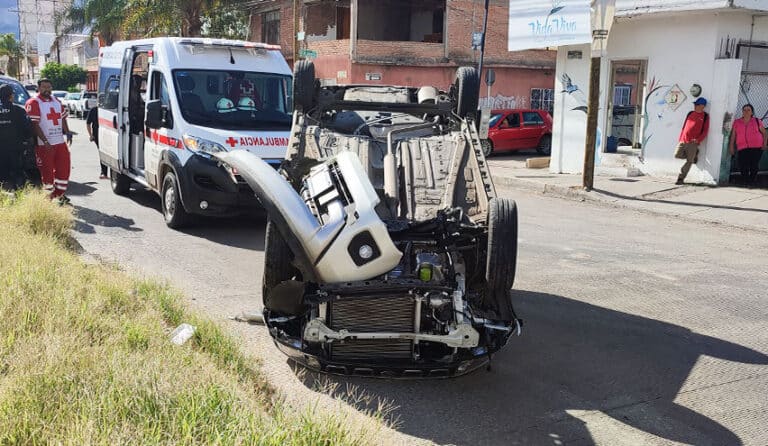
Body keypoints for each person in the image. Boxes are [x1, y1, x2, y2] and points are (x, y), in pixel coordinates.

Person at [25, 78, 72, 203]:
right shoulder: (33, 102)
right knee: (47, 172)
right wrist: (45, 142)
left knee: (64, 169)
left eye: (49, 87)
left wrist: (68, 132)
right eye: (44, 87)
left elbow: (62, 118)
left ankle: (58, 194)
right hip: (44, 145)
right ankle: (46, 200)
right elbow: (34, 125)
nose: (47, 89)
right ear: (39, 88)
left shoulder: (56, 101)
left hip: (59, 142)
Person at [0, 83, 31, 190]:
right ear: (11, 96)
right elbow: (28, 128)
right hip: (15, 148)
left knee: (2, 175)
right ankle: (18, 194)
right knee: (17, 173)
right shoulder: (19, 110)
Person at [729, 103, 767, 187]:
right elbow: (733, 136)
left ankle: (752, 181)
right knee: (743, 165)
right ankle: (746, 181)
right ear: (742, 112)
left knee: (754, 165)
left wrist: (764, 143)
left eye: (748, 110)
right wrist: (731, 146)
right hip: (742, 147)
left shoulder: (757, 121)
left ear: (752, 112)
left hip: (756, 147)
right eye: (744, 110)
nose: (746, 111)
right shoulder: (737, 122)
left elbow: (764, 133)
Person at [675, 97, 710, 185]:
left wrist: (698, 140)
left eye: (697, 104)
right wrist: (680, 138)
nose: (695, 106)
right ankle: (694, 155)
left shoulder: (705, 116)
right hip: (683, 140)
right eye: (695, 104)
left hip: (693, 143)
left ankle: (680, 178)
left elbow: (705, 131)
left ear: (702, 106)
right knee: (677, 155)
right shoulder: (690, 113)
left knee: (689, 161)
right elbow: (684, 127)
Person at [86, 106, 107, 179]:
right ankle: (104, 172)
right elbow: (88, 123)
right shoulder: (94, 110)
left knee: (106, 152)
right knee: (102, 152)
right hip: (97, 134)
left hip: (107, 133)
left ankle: (105, 172)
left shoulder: (107, 109)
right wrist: (91, 135)